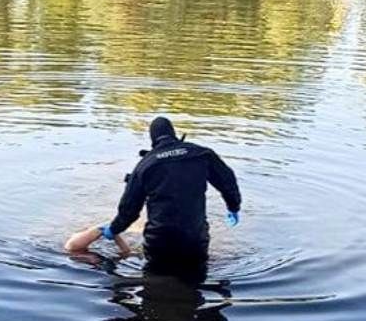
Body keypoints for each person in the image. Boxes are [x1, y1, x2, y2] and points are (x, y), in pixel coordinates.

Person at [65, 116, 241, 271]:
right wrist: (233, 206)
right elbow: (227, 182)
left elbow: (129, 209)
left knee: (155, 280)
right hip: (195, 240)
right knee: (196, 276)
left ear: (152, 140)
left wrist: (114, 229)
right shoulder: (202, 154)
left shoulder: (145, 165)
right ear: (174, 134)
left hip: (159, 241)